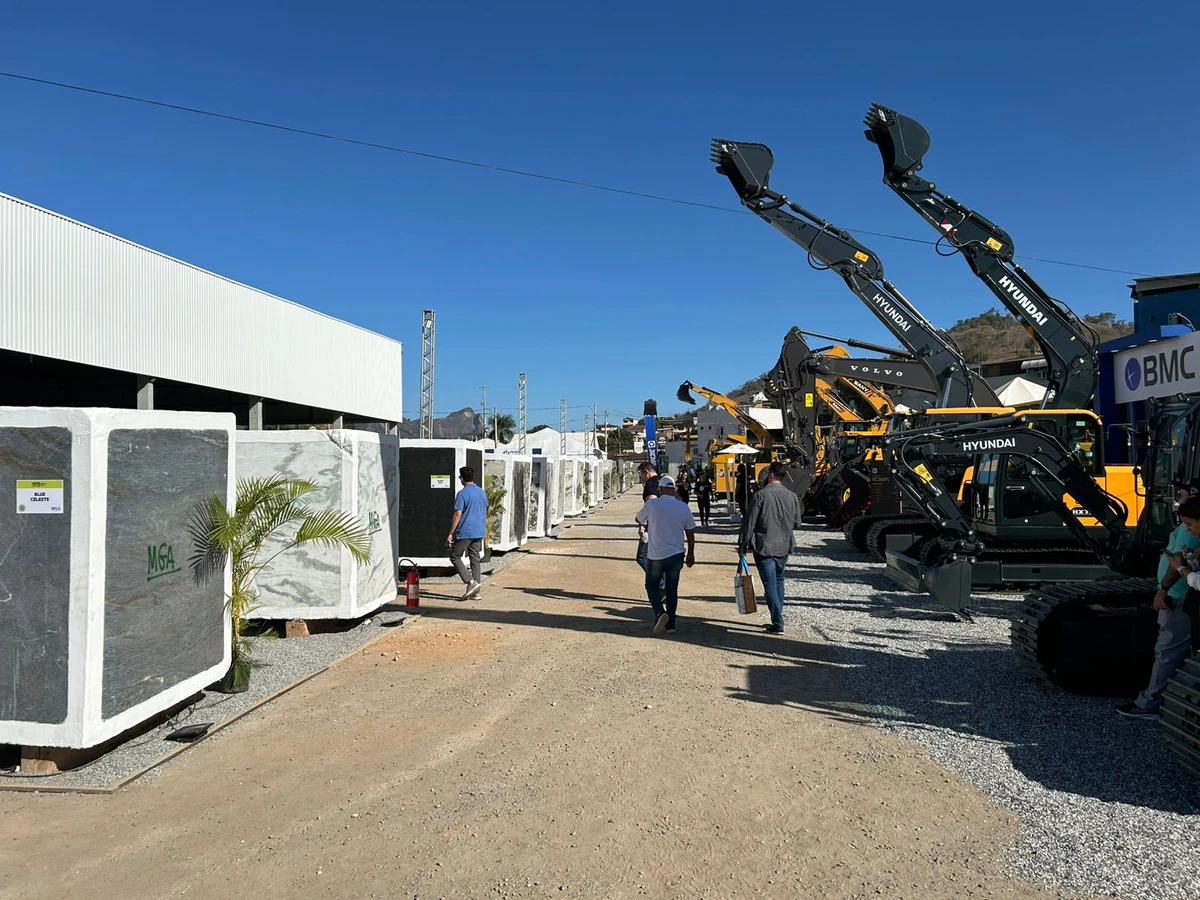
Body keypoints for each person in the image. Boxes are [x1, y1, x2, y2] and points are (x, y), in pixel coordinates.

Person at [1116, 485, 1200, 719]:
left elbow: (1183, 567)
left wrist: (1172, 578)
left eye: (1183, 493)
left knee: (1168, 651)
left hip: (1180, 598)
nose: (1179, 497)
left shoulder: (1191, 532)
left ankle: (1152, 702)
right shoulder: (1189, 530)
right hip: (1180, 596)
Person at [738, 461, 803, 635]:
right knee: (779, 581)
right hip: (784, 545)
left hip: (764, 545)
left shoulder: (760, 496)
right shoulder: (792, 496)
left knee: (770, 585)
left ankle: (778, 622)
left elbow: (749, 523)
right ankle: (777, 617)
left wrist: (742, 544)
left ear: (771, 475)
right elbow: (797, 522)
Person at [634, 475, 696, 635]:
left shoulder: (652, 504)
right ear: (674, 489)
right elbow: (690, 533)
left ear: (660, 490)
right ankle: (671, 624)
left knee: (651, 586)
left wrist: (647, 522)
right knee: (672, 589)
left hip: (656, 555)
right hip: (676, 554)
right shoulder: (683, 507)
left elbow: (638, 518)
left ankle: (660, 612)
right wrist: (691, 553)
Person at [447, 466, 488, 601]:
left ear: (461, 478)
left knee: (455, 556)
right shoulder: (482, 492)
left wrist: (451, 533)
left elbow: (457, 514)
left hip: (465, 531)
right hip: (479, 531)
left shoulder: (462, 494)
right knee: (475, 559)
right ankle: (476, 592)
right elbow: (485, 509)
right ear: (473, 477)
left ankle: (470, 582)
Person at [634, 461, 661, 574]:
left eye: (642, 476)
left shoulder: (650, 484)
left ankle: (660, 581)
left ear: (646, 472)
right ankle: (663, 580)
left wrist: (642, 525)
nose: (642, 479)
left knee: (642, 556)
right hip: (666, 524)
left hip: (652, 526)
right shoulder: (662, 481)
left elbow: (651, 504)